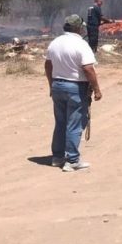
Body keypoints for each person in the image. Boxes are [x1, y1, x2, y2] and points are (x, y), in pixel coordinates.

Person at [45, 14, 102, 171]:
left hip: (57, 86)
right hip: (75, 88)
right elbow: (88, 68)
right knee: (74, 124)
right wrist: (96, 89)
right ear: (78, 27)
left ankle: (57, 157)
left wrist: (51, 85)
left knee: (61, 123)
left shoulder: (55, 42)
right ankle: (72, 160)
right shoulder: (81, 44)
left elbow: (48, 66)